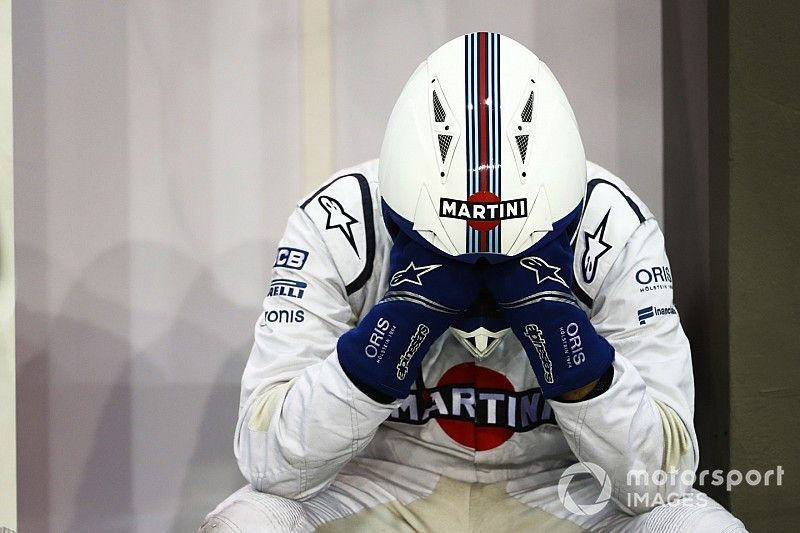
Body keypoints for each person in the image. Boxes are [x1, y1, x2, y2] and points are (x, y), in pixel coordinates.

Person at [200, 33, 746, 532]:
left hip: (557, 489)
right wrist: (395, 328)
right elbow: (269, 462)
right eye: (453, 252)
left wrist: (565, 341)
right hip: (383, 482)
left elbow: (661, 480)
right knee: (246, 524)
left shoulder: (613, 226)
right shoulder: (340, 220)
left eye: (504, 253)